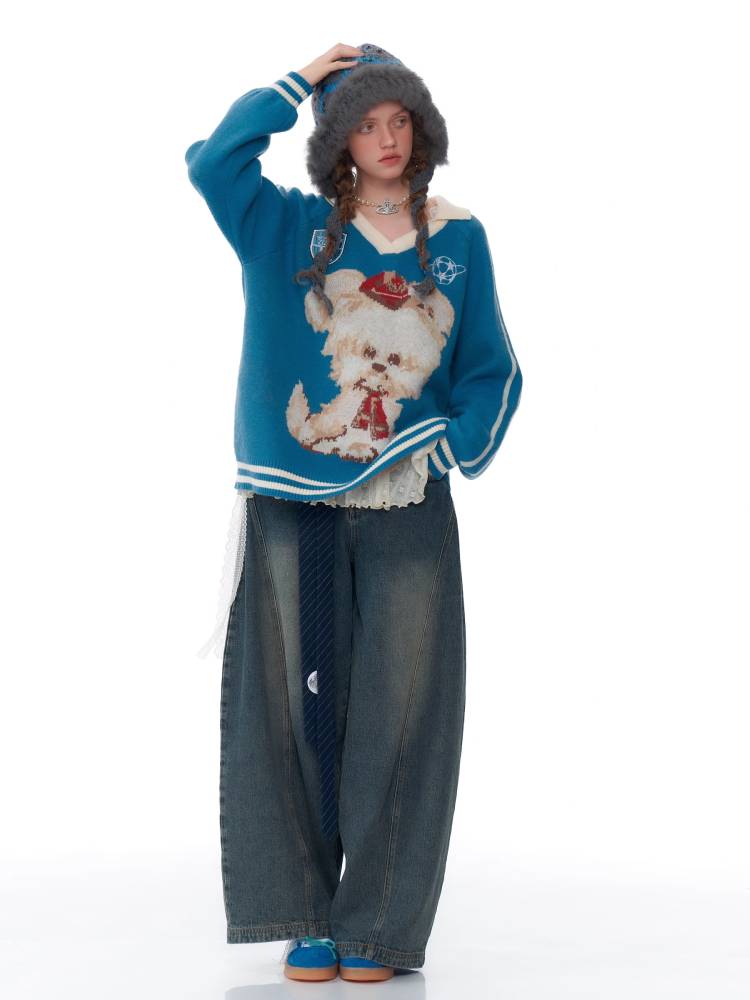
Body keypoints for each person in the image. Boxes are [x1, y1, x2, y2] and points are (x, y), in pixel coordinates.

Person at [184, 42, 523, 983]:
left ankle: (377, 924)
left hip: (408, 492)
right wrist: (295, 84)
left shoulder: (457, 238)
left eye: (398, 119)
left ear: (421, 129)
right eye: (365, 123)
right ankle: (305, 914)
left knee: (403, 706)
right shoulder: (285, 227)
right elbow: (213, 164)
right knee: (293, 707)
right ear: (338, 140)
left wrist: (453, 443)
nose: (386, 138)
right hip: (294, 499)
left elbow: (491, 366)